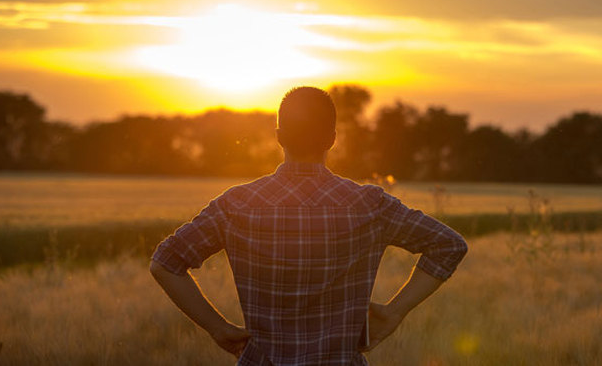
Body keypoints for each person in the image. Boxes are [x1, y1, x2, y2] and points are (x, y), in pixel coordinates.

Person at [150, 86, 468, 365]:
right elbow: (449, 245)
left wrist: (217, 328)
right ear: (332, 139)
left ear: (278, 137)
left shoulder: (237, 205)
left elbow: (165, 263)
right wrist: (396, 311)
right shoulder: (371, 205)